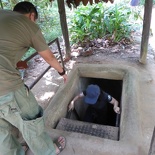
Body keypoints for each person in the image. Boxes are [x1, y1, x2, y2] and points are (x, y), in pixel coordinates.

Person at [0, 1, 67, 155]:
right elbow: (49, 57)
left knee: (1, 131)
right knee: (31, 117)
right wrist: (62, 72)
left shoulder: (3, 15)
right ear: (31, 15)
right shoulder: (28, 24)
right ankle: (49, 151)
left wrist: (16, 63)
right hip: (6, 86)